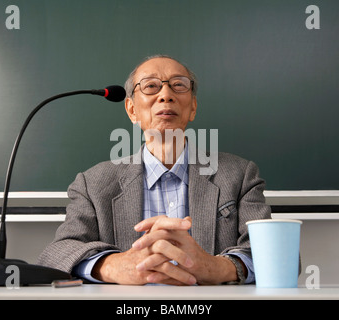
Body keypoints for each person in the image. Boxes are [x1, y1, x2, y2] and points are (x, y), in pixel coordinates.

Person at [37, 55, 271, 285]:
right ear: (131, 110)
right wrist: (111, 266)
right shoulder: (93, 183)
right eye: (151, 86)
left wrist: (215, 267)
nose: (166, 95)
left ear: (193, 108)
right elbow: (57, 254)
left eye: (178, 85)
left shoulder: (240, 175)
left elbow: (272, 254)